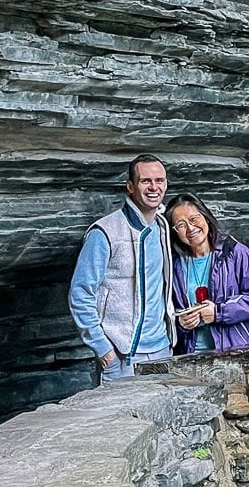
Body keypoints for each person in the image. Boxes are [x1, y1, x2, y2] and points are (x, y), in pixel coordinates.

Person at [69, 153, 176, 381]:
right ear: (130, 186)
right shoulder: (105, 232)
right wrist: (104, 351)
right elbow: (80, 293)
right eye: (145, 181)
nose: (153, 187)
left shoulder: (162, 226)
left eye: (159, 181)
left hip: (162, 349)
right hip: (121, 356)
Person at [166, 193, 249, 354]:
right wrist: (180, 324)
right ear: (174, 231)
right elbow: (166, 312)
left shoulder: (234, 252)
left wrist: (218, 313)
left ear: (206, 217)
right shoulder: (173, 265)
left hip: (237, 352)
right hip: (192, 356)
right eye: (180, 225)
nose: (190, 228)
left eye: (194, 219)